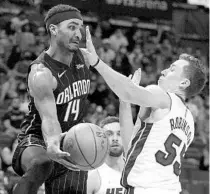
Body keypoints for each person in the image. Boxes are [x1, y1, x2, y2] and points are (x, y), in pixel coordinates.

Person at [81, 26, 207, 194]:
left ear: (183, 83)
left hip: (145, 189)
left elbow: (127, 90)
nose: (163, 70)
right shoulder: (189, 120)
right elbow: (130, 145)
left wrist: (96, 62)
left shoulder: (162, 96)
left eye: (172, 69)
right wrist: (125, 102)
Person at [12, 4, 91, 194]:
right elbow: (49, 119)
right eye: (72, 27)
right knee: (43, 163)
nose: (78, 34)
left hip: (73, 141)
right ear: (53, 29)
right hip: (37, 139)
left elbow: (113, 79)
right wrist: (53, 143)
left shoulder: (86, 58)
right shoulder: (41, 73)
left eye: (80, 27)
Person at [87, 117, 125, 194]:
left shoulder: (135, 170)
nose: (115, 138)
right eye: (109, 134)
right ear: (100, 139)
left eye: (119, 134)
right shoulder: (93, 175)